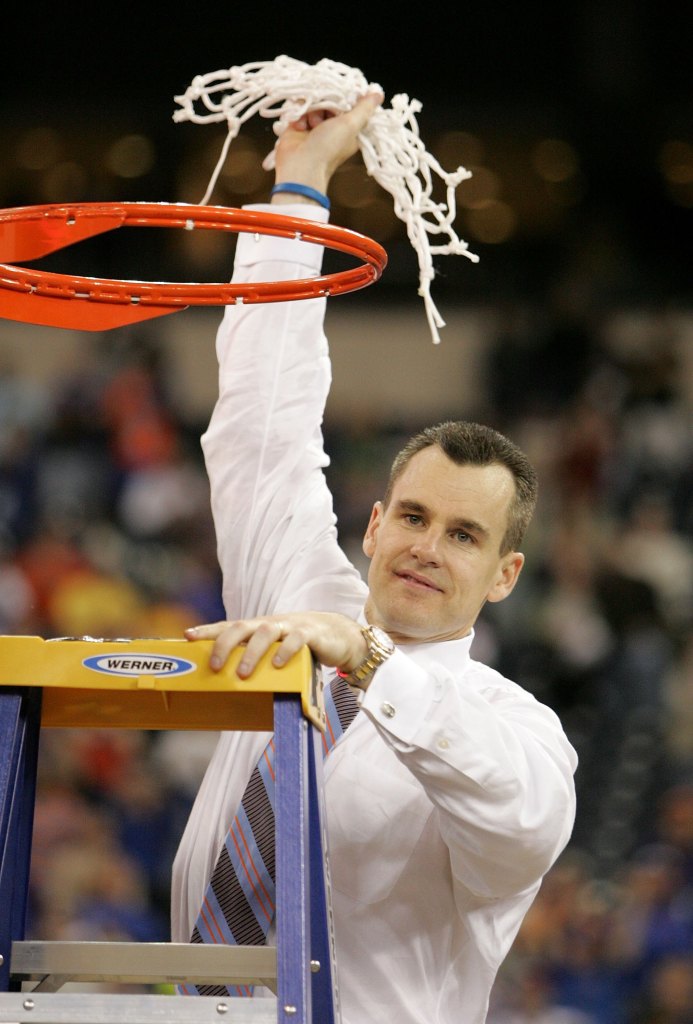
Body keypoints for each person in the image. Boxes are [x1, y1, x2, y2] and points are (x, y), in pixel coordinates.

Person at [171, 92, 578, 1024]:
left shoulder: (517, 730)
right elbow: (261, 429)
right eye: (415, 516)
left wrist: (366, 659)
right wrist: (299, 187)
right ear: (375, 521)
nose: (427, 548)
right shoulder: (301, 594)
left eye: (465, 535)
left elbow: (517, 814)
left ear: (504, 575)